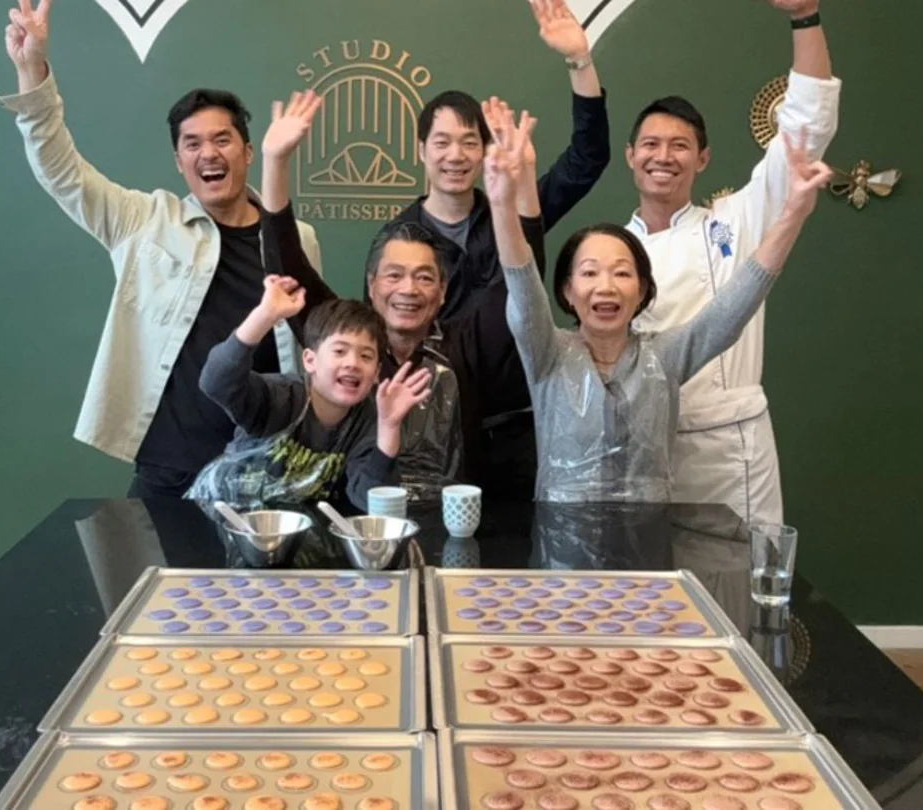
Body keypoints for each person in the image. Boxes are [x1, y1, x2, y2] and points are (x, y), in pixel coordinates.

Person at [0, 0, 322, 498]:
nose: (208, 153)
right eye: (192, 144)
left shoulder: (298, 239)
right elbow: (61, 170)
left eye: (222, 140)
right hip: (168, 466)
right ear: (178, 161)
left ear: (249, 152)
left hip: (267, 468)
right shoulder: (143, 220)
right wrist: (32, 71)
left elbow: (312, 344)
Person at [486, 109, 832, 504]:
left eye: (621, 273)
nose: (606, 287)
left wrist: (793, 215)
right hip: (562, 539)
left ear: (642, 291)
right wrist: (502, 204)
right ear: (567, 291)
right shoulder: (547, 353)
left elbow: (736, 305)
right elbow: (522, 286)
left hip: (647, 537)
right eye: (590, 273)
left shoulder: (663, 355)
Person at [368, 0, 611, 499]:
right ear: (421, 150)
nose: (455, 156)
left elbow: (588, 159)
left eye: (469, 142)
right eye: (441, 142)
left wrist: (579, 61)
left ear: (484, 151)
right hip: (433, 433)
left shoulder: (516, 215)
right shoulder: (397, 243)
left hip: (519, 430)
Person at [256, 91, 546, 497]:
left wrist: (516, 187)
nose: (408, 289)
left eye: (424, 277)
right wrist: (275, 162)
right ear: (371, 283)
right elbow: (288, 266)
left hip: (456, 519)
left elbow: (521, 284)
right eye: (394, 275)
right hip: (363, 517)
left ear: (443, 291)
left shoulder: (467, 344)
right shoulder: (348, 344)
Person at [624, 0, 840, 523]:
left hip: (730, 451)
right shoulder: (611, 253)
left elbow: (805, 128)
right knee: (651, 574)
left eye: (680, 146)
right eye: (650, 144)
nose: (663, 157)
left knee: (742, 574)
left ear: (703, 159)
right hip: (644, 448)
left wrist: (805, 17)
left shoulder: (737, 220)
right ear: (631, 156)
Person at [195, 279, 432, 511]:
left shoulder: (368, 420)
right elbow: (217, 382)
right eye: (340, 351)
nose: (352, 363)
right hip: (238, 520)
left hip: (312, 529)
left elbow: (370, 500)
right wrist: (265, 315)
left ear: (377, 373)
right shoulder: (280, 397)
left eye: (366, 356)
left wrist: (389, 428)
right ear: (310, 360)